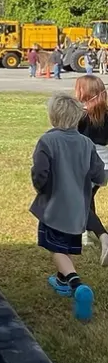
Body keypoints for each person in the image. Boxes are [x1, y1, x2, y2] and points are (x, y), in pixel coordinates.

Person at [30, 93, 104, 321]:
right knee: (68, 245)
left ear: (53, 117)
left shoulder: (47, 141)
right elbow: (99, 174)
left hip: (54, 207)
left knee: (56, 248)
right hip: (78, 209)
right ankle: (62, 281)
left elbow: (40, 173)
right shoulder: (86, 143)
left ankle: (75, 283)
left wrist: (41, 187)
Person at [75, 74, 108, 264]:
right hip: (104, 167)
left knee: (79, 201)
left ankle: (103, 235)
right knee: (87, 198)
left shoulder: (81, 114)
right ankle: (85, 234)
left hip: (87, 165)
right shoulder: (106, 113)